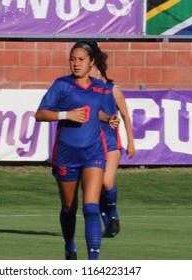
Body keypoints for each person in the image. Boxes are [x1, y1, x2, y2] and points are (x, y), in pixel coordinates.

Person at [34, 41, 118, 260]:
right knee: (69, 207)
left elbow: (94, 113)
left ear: (91, 63)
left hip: (93, 153)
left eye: (81, 59)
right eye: (72, 59)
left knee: (91, 207)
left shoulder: (100, 88)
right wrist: (65, 115)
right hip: (66, 155)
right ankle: (70, 245)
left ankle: (93, 263)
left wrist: (108, 118)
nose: (76, 63)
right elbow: (40, 114)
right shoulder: (61, 85)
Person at [90, 48, 136, 238]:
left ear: (98, 68)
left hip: (110, 143)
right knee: (93, 188)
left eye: (90, 66)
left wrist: (131, 142)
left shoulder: (113, 90)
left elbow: (125, 115)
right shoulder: (84, 91)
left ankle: (114, 216)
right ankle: (108, 225)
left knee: (107, 182)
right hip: (90, 144)